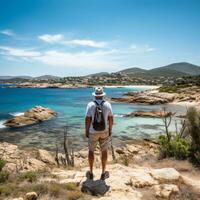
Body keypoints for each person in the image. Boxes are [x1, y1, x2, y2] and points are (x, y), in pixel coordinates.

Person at [85, 87, 113, 180]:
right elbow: (110, 118)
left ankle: (91, 172)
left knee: (91, 151)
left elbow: (87, 119)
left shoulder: (90, 104)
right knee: (104, 151)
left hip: (93, 132)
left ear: (95, 95)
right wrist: (110, 130)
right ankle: (103, 173)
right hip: (104, 131)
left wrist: (87, 130)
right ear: (102, 95)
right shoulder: (108, 104)